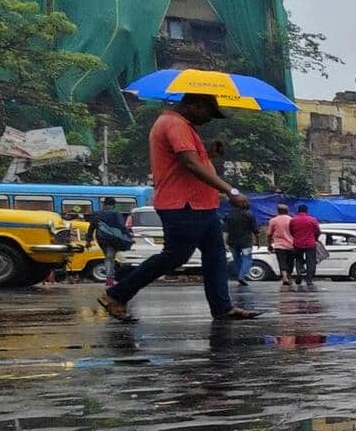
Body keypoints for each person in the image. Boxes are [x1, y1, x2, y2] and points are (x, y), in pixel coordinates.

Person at [98, 94, 260, 323]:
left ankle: (222, 307)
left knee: (215, 256)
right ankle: (116, 294)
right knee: (175, 256)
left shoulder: (180, 125)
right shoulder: (175, 123)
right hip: (184, 205)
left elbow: (185, 161)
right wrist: (230, 191)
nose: (209, 120)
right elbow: (190, 164)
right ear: (194, 105)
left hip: (201, 205)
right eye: (208, 113)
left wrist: (209, 153)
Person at [91, 197, 135, 286]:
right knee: (110, 257)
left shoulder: (97, 213)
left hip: (101, 239)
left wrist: (88, 240)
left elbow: (91, 227)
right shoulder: (116, 213)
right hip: (113, 239)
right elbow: (122, 227)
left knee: (108, 256)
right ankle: (109, 278)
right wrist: (129, 237)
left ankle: (109, 277)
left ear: (104, 204)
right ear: (114, 205)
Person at [224, 201, 258, 288]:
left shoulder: (229, 215)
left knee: (237, 259)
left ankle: (240, 276)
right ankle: (242, 277)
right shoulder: (249, 214)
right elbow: (255, 230)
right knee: (247, 259)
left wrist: (224, 242)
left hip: (232, 242)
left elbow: (225, 230)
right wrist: (257, 241)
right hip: (246, 242)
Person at [288, 204, 322, 287]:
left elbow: (291, 231)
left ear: (298, 211)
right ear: (307, 211)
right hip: (310, 243)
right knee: (311, 261)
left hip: (297, 243)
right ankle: (309, 279)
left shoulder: (293, 220)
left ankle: (299, 274)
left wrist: (296, 237)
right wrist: (315, 238)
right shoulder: (312, 220)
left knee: (299, 260)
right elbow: (318, 231)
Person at [266, 204, 296, 285]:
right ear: (287, 211)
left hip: (279, 245)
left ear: (278, 211)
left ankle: (284, 277)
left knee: (281, 261)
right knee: (290, 262)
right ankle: (289, 277)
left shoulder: (273, 220)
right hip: (291, 245)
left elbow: (269, 234)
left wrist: (269, 245)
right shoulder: (292, 220)